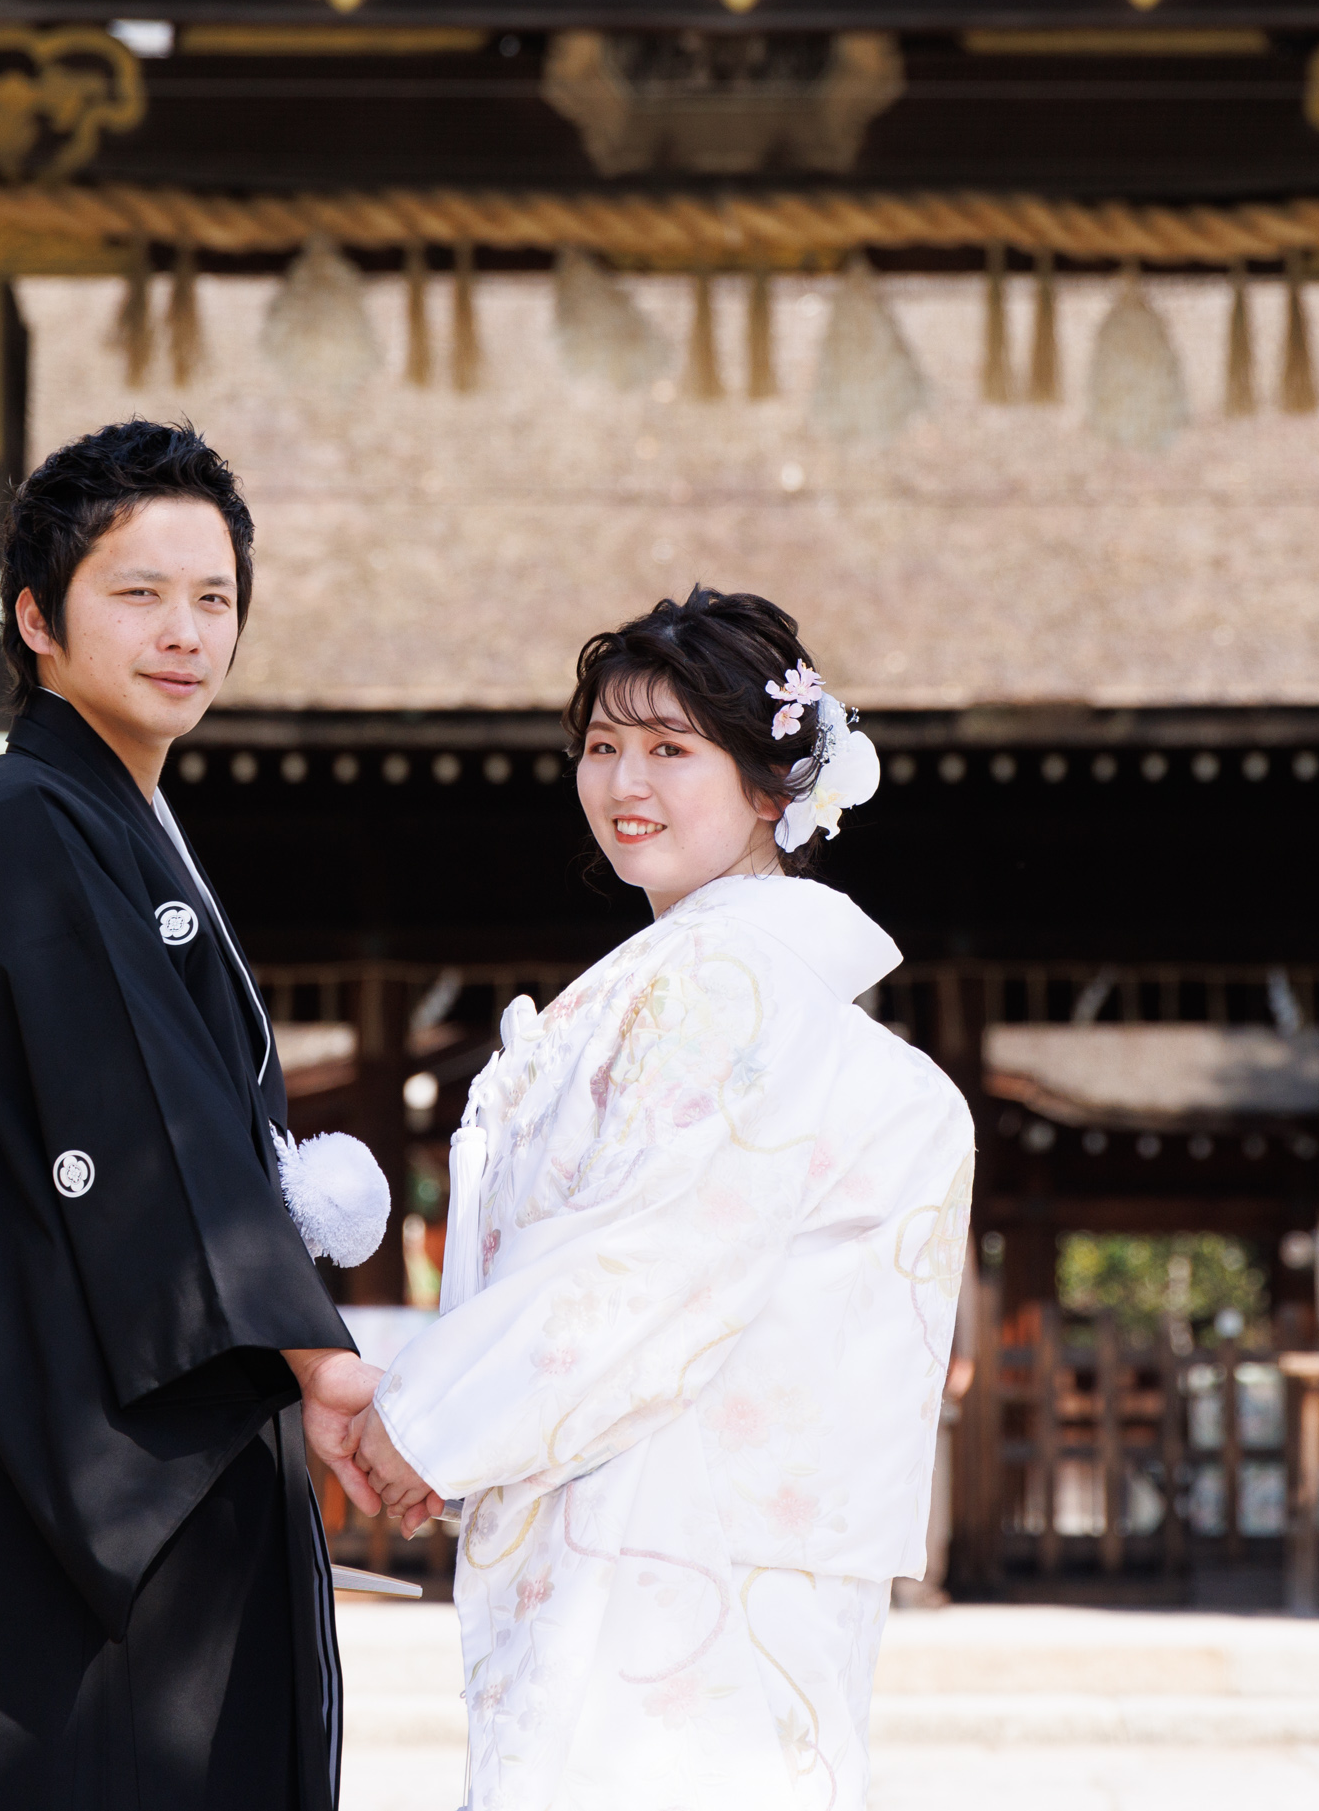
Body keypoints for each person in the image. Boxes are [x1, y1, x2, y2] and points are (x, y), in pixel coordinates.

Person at [350, 588, 976, 1811]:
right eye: (602, 746)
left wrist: (425, 1423)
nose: (624, 779)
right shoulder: (706, 973)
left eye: (670, 749)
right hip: (684, 1529)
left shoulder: (729, 980)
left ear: (766, 789)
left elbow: (646, 1275)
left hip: (662, 1539)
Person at [0, 420, 383, 1811]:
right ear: (35, 617)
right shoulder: (21, 823)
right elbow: (141, 1130)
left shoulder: (114, 823)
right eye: (137, 593)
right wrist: (322, 1363)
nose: (186, 633)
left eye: (214, 599)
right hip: (100, 1453)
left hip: (161, 1413)